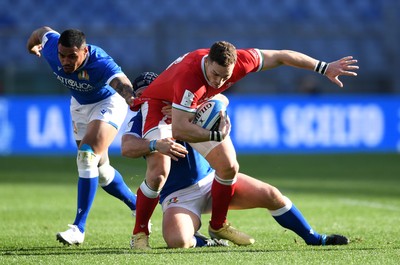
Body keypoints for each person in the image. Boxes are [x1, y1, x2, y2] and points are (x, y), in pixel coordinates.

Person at [130, 41, 359, 249]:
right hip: (160, 111)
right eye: (215, 74)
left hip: (195, 125)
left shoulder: (242, 61)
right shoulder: (188, 79)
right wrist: (215, 134)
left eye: (225, 77)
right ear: (207, 61)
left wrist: (323, 67)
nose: (219, 81)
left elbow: (281, 56)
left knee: (232, 168)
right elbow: (180, 129)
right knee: (160, 173)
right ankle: (139, 234)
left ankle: (224, 226)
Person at [27, 26, 138, 245]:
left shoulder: (101, 62)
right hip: (79, 105)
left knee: (86, 157)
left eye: (72, 56)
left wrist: (131, 98)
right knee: (101, 170)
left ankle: (79, 228)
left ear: (85, 52)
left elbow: (122, 83)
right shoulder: (51, 47)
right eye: (62, 55)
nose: (65, 61)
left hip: (108, 102)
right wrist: (31, 46)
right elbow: (42, 31)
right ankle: (138, 206)